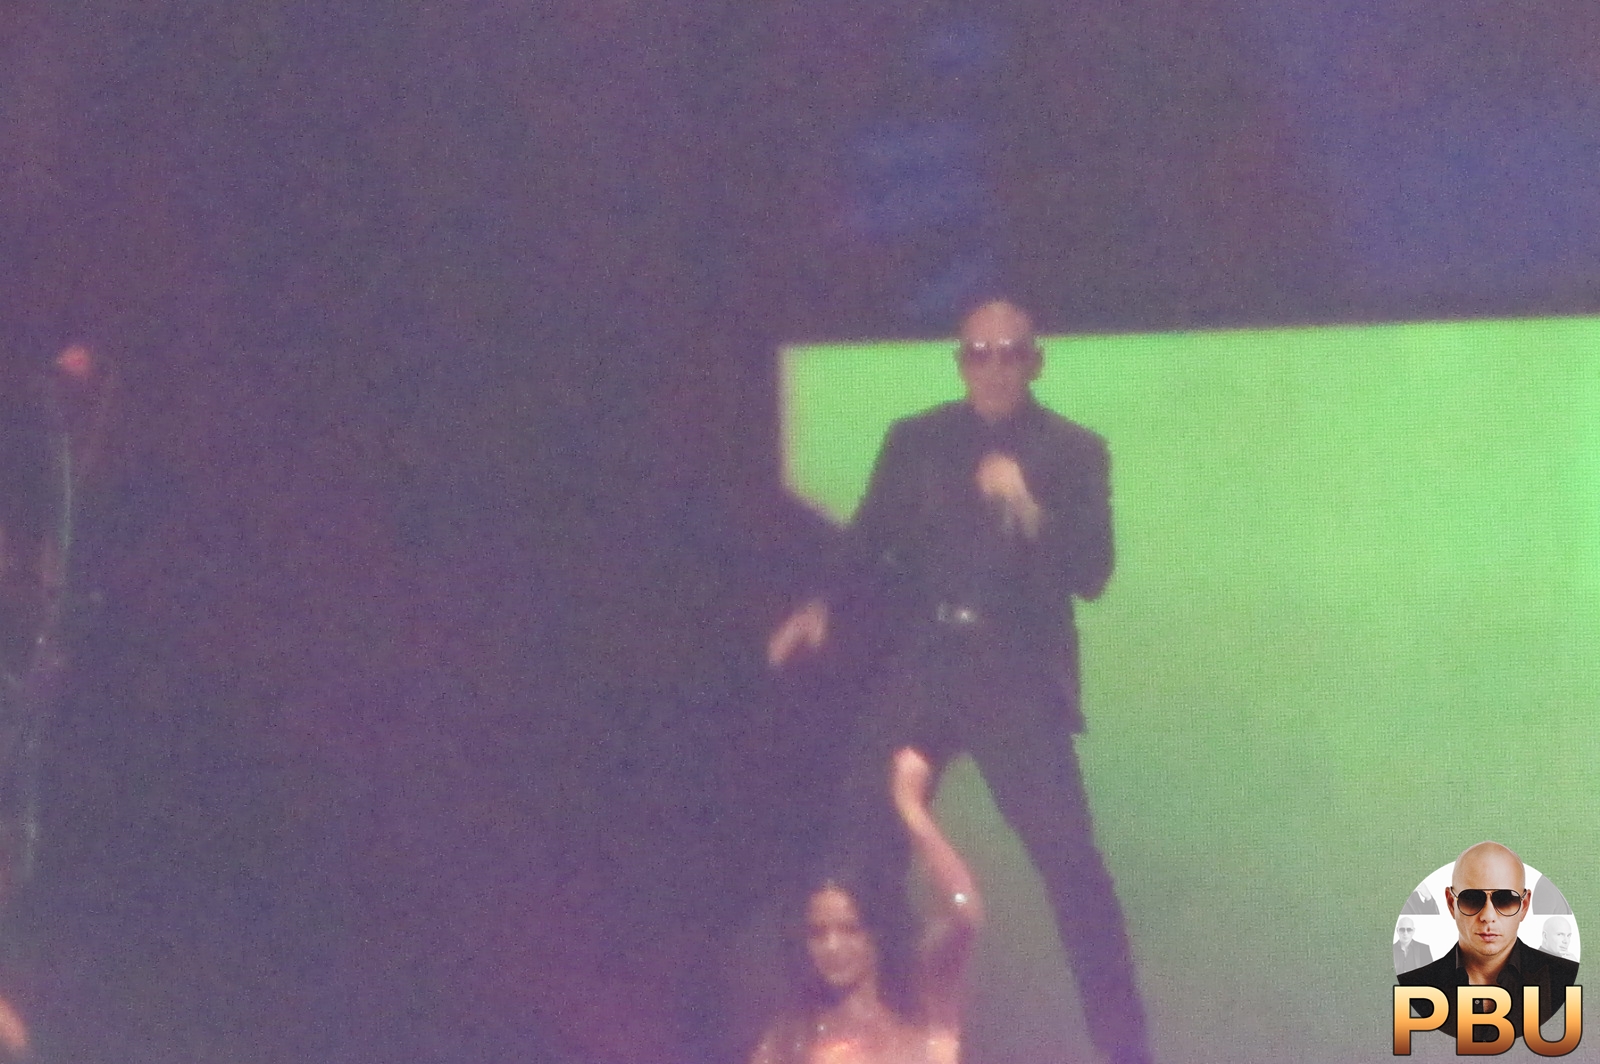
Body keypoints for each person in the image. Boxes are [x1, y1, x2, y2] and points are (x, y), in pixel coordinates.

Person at [768, 299, 1151, 1064]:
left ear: (1035, 361)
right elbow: (870, 536)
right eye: (980, 353)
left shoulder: (1072, 451)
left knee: (1071, 864)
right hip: (927, 659)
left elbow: (1092, 572)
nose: (995, 367)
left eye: (1010, 352)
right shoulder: (917, 440)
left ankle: (1126, 1050)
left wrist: (1028, 505)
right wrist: (822, 604)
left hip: (1013, 675)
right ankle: (849, 1033)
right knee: (857, 846)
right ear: (961, 362)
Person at [750, 747, 982, 1064]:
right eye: (818, 934)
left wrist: (911, 810)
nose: (833, 946)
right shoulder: (793, 1041)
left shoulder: (922, 1004)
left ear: (878, 931)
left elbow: (963, 915)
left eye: (850, 929)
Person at [1398, 841, 1579, 1041]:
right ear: (1451, 904)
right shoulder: (1410, 989)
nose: (1488, 916)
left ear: (1524, 906)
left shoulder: (1568, 982)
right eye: (1472, 898)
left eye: (1505, 899)